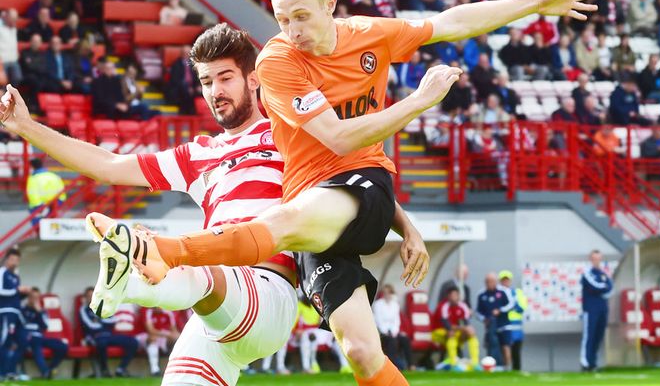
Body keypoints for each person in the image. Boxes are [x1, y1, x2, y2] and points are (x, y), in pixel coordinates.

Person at [79, 0, 599, 385]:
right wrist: (418, 103)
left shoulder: (370, 35)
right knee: (361, 351)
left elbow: (451, 22)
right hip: (316, 208)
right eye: (282, 19)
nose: (292, 31)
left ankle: (162, 251)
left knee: (282, 223)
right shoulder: (278, 62)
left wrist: (537, 1)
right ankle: (159, 257)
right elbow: (338, 136)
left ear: (330, 5)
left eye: (301, 17)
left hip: (361, 183)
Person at [0, 24, 425, 386]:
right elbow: (109, 165)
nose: (215, 91)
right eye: (206, 82)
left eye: (225, 78)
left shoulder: (293, 134)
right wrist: (27, 127)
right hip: (211, 314)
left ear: (253, 79)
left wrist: (407, 229)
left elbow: (354, 179)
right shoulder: (198, 154)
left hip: (267, 293)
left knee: (192, 264)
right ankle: (138, 269)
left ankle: (134, 276)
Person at [78, 287, 138, 377]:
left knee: (132, 342)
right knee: (101, 343)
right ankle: (104, 370)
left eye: (93, 295)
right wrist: (103, 320)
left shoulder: (103, 307)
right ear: (85, 298)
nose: (91, 298)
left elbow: (114, 320)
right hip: (94, 337)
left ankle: (121, 369)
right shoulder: (83, 309)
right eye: (89, 296)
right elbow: (90, 326)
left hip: (109, 335)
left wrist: (99, 320)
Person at [21, 287, 69, 379]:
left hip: (40, 337)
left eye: (36, 298)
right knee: (36, 347)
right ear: (28, 298)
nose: (34, 300)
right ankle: (45, 372)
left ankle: (51, 369)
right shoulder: (22, 310)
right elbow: (23, 326)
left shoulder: (42, 311)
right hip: (29, 337)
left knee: (63, 346)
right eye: (32, 297)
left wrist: (39, 312)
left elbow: (45, 326)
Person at [580, 249, 612, 372]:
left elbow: (610, 287)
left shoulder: (603, 273)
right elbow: (595, 286)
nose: (597, 261)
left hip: (602, 308)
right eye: (595, 259)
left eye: (599, 259)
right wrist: (604, 287)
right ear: (591, 259)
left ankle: (593, 362)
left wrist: (604, 287)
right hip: (591, 309)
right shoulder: (587, 273)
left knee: (598, 336)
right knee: (589, 336)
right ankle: (585, 362)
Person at [0, 249, 30, 380]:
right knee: (4, 342)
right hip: (5, 311)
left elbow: (15, 296)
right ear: (6, 259)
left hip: (17, 312)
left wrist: (24, 293)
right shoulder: (2, 272)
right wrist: (17, 290)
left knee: (23, 340)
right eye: (12, 259)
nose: (15, 262)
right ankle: (2, 373)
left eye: (17, 260)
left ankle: (11, 371)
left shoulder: (16, 276)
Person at [433, 287, 480, 370]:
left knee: (471, 335)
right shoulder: (443, 306)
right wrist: (463, 329)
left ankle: (475, 363)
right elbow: (447, 325)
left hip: (456, 331)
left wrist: (468, 330)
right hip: (438, 332)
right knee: (451, 335)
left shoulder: (463, 306)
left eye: (455, 295)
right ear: (448, 296)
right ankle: (453, 363)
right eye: (452, 295)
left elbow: (466, 323)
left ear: (458, 296)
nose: (454, 297)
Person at [372, 284, 413, 371]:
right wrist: (387, 332)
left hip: (394, 331)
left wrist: (394, 332)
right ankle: (392, 366)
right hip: (382, 333)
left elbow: (396, 321)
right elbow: (378, 321)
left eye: (389, 292)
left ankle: (410, 365)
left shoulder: (395, 305)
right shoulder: (378, 304)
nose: (387, 295)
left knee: (405, 339)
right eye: (385, 293)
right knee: (392, 341)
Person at [498, 270, 527, 371]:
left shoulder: (517, 292)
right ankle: (504, 369)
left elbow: (522, 307)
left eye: (507, 280)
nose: (505, 282)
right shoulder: (498, 293)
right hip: (503, 326)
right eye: (503, 280)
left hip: (516, 328)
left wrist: (512, 305)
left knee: (516, 351)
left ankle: (516, 370)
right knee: (504, 350)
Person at [139, 307, 180, 376]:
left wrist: (177, 337)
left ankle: (177, 368)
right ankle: (155, 370)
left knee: (177, 339)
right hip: (145, 336)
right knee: (153, 340)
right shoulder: (148, 311)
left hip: (163, 337)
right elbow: (151, 331)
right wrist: (168, 335)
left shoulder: (168, 312)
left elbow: (174, 330)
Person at [26, 157, 67, 226]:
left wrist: (40, 207)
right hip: (55, 204)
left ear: (32, 167)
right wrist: (59, 202)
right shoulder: (54, 176)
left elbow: (33, 195)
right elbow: (62, 192)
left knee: (40, 227)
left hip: (41, 207)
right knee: (51, 225)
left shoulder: (33, 178)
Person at [0, 9, 22, 86]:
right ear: (6, 17)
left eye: (15, 19)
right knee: (2, 82)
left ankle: (9, 92)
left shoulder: (14, 28)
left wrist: (16, 52)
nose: (14, 21)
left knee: (18, 78)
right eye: (12, 19)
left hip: (13, 60)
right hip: (2, 61)